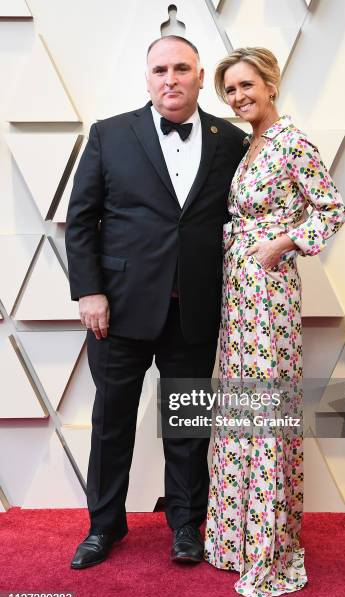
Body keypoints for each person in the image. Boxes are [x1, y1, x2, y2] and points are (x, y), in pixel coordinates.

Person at [65, 35, 245, 569]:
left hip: (194, 308)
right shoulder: (109, 134)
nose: (171, 78)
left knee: (188, 425)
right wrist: (89, 290)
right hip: (117, 308)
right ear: (147, 77)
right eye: (161, 69)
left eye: (182, 68)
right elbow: (81, 220)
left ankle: (187, 527)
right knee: (111, 421)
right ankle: (103, 528)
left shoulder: (230, 140)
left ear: (199, 74)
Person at [204, 47, 345, 597]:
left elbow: (330, 208)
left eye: (246, 85)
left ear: (270, 82)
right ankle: (238, 539)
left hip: (269, 290)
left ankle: (270, 546)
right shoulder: (249, 146)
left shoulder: (290, 141)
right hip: (240, 293)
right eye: (230, 90)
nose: (238, 97)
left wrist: (282, 244)